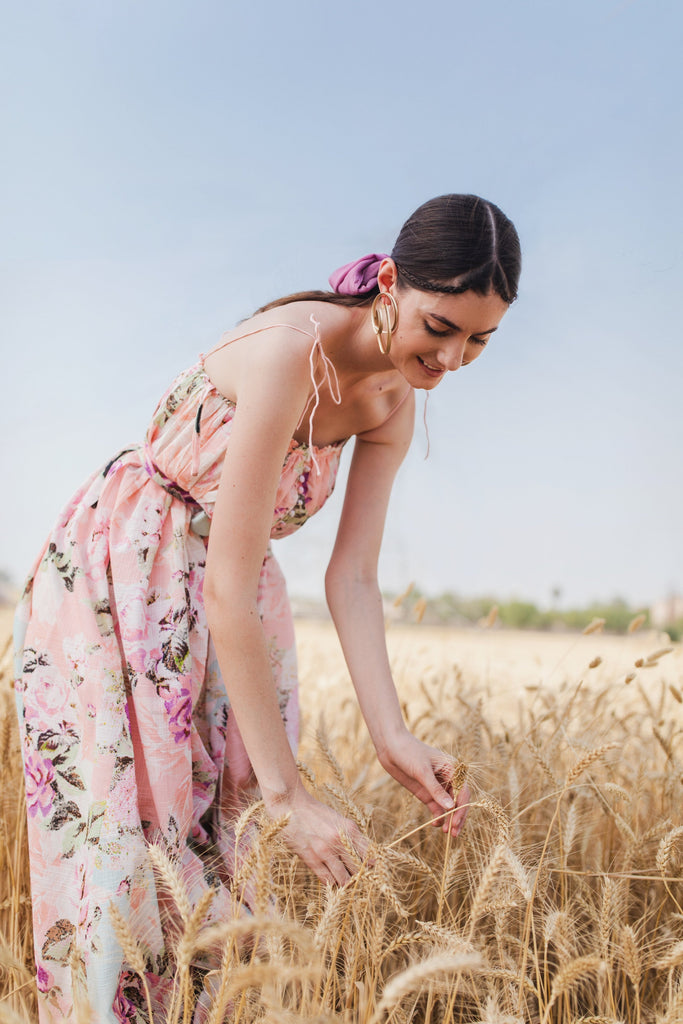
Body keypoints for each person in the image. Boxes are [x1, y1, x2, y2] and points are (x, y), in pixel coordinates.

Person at [14, 193, 521, 1022]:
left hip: (240, 603)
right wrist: (294, 797)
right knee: (123, 848)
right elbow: (220, 577)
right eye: (440, 328)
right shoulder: (293, 351)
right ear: (389, 283)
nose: (454, 359)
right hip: (124, 580)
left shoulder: (392, 401)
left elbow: (352, 578)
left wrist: (390, 734)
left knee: (225, 849)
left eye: (479, 340)